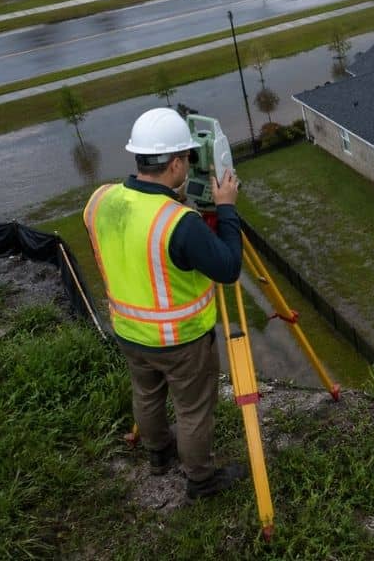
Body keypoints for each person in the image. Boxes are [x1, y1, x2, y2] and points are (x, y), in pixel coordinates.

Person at [83, 108, 245, 499]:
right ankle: (201, 480)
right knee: (192, 411)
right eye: (187, 158)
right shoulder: (180, 223)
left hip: (128, 332)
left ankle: (158, 455)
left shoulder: (101, 200)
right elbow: (228, 267)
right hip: (181, 341)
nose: (189, 165)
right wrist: (225, 208)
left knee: (147, 394)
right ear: (175, 164)